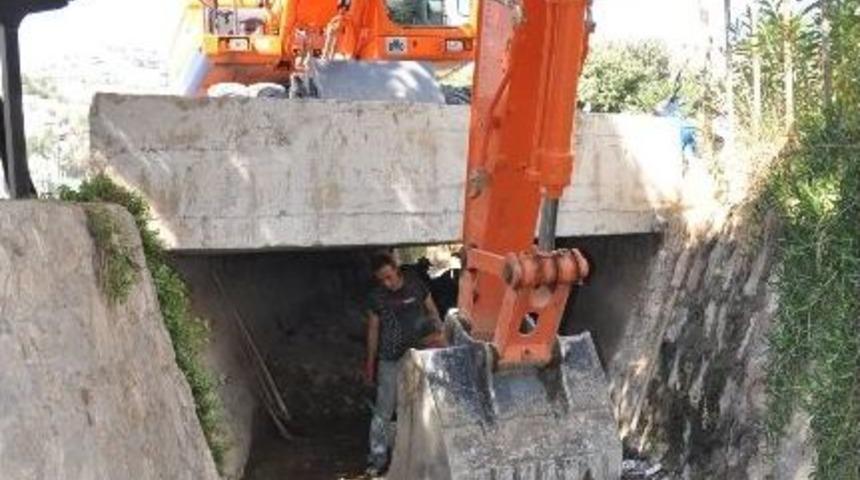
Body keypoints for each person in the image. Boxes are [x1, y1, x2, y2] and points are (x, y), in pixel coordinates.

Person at [364, 251, 444, 475]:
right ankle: (377, 459)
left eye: (389, 277)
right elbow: (373, 330)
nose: (387, 283)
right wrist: (370, 363)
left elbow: (433, 312)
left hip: (419, 358)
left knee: (421, 409)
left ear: (396, 269)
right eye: (382, 280)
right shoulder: (376, 297)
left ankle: (422, 458)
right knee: (383, 410)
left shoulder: (416, 287)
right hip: (390, 359)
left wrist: (441, 338)